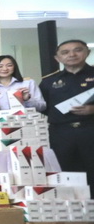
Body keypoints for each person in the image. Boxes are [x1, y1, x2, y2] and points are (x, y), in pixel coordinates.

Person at [39, 39, 94, 194]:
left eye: (77, 50)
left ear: (87, 53)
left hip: (90, 129)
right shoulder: (49, 81)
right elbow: (43, 107)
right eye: (65, 52)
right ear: (57, 58)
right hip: (61, 134)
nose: (72, 54)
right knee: (64, 173)